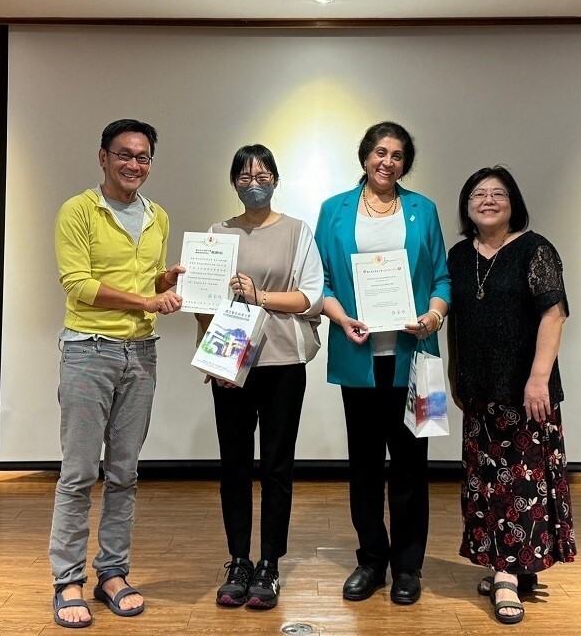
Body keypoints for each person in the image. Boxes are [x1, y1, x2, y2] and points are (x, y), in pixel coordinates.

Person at [50, 118, 184, 629]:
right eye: (124, 155)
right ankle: (67, 579)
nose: (134, 164)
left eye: (143, 157)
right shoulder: (78, 210)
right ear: (103, 157)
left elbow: (145, 278)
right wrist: (146, 298)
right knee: (80, 473)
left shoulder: (158, 217)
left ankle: (112, 572)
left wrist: (164, 280)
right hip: (88, 351)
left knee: (125, 473)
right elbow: (77, 283)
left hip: (141, 354)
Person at [314, 121, 450, 605]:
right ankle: (371, 560)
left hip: (414, 358)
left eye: (396, 154)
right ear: (365, 157)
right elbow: (321, 281)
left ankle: (408, 567)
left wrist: (433, 317)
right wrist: (341, 316)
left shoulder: (422, 209)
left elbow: (441, 278)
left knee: (411, 466)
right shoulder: (334, 210)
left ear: (405, 163)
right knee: (365, 466)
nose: (386, 161)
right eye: (379, 152)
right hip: (359, 356)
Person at [446, 166, 576, 625]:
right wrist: (453, 377)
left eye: (497, 193)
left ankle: (505, 576)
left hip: (525, 391)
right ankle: (513, 565)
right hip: (479, 392)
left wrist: (538, 377)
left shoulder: (534, 248)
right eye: (478, 194)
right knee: (486, 482)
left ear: (512, 202)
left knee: (520, 484)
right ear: (467, 206)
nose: (487, 200)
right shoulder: (460, 255)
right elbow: (455, 320)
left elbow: (554, 313)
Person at [197, 144, 324, 610]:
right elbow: (205, 306)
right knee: (233, 466)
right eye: (246, 175)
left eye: (264, 173)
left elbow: (310, 298)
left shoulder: (297, 231)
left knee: (276, 466)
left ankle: (269, 562)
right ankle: (238, 560)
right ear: (234, 181)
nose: (255, 182)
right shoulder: (217, 233)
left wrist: (259, 295)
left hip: (283, 363)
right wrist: (215, 361)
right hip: (232, 367)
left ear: (276, 179)